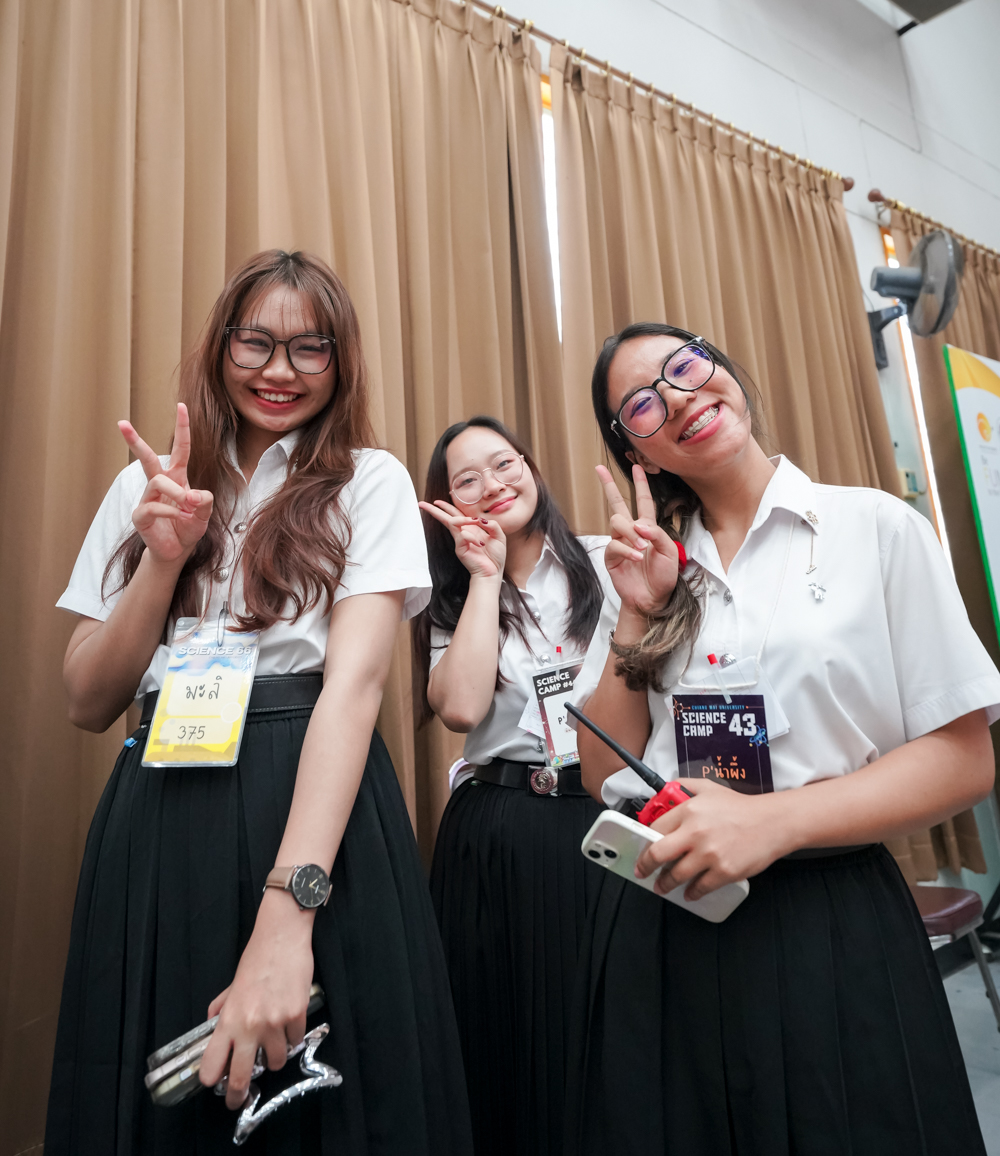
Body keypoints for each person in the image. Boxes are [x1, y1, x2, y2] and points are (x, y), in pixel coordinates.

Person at [46, 250, 472, 1156]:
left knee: (326, 1109)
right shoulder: (146, 485)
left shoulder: (369, 480)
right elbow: (87, 698)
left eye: (311, 348)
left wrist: (288, 915)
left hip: (312, 795)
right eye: (257, 342)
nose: (281, 370)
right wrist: (161, 560)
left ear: (341, 362)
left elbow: (354, 689)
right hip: (162, 803)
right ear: (221, 346)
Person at [566, 322, 1000, 1156]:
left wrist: (771, 822)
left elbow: (963, 759)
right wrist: (638, 612)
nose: (679, 397)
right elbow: (598, 772)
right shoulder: (648, 566)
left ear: (723, 367)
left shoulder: (874, 527)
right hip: (671, 916)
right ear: (636, 452)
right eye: (643, 404)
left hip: (831, 917)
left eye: (686, 366)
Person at [413, 417, 614, 1156]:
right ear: (449, 503)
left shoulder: (606, 563)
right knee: (500, 1036)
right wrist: (484, 577)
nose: (493, 485)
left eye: (504, 464)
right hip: (497, 829)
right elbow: (461, 709)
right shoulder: (454, 595)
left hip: (600, 817)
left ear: (530, 467)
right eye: (467, 479)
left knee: (600, 1029)